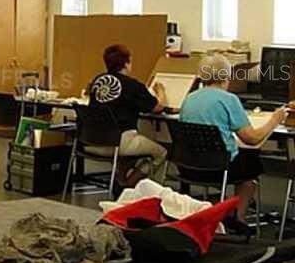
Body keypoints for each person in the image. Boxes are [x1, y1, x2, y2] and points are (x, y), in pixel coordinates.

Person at [180, 54, 286, 221]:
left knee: (245, 160)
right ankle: (238, 217)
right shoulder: (229, 100)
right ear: (227, 75)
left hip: (188, 167)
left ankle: (228, 208)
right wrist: (275, 119)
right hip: (220, 168)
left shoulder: (188, 99)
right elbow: (252, 139)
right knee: (251, 168)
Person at [88, 44, 169, 186]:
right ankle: (127, 184)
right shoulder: (133, 86)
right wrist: (161, 91)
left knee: (133, 149)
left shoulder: (97, 81)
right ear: (126, 63)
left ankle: (121, 179)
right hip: (119, 141)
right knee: (161, 152)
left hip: (92, 140)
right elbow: (157, 108)